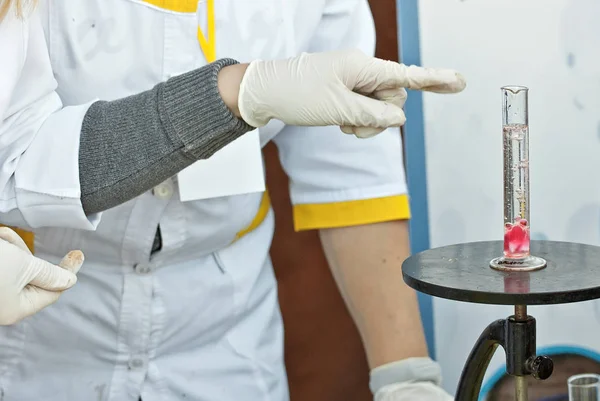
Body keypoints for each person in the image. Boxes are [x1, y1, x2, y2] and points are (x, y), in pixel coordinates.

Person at [0, 1, 465, 401]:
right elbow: (19, 157)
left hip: (226, 326)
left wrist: (404, 374)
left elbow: (352, 179)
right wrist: (238, 93)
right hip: (43, 308)